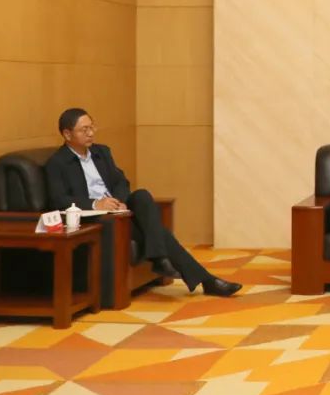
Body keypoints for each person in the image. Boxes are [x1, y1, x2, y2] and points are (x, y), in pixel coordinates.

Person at [45, 108, 242, 298]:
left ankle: (168, 262)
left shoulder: (101, 152)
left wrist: (119, 201)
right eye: (84, 130)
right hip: (97, 218)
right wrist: (96, 204)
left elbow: (121, 181)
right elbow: (58, 199)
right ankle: (199, 277)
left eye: (92, 127)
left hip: (117, 210)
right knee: (159, 232)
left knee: (142, 196)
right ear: (67, 134)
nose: (91, 133)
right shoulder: (57, 163)